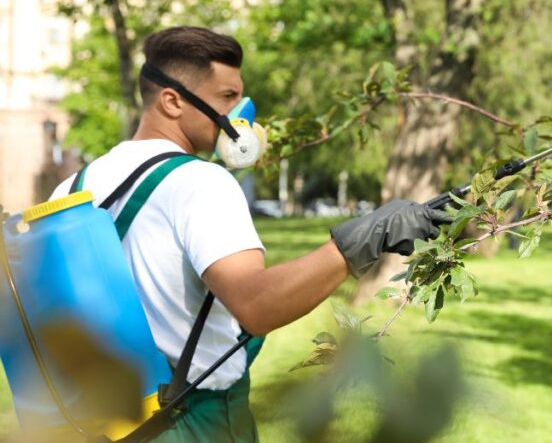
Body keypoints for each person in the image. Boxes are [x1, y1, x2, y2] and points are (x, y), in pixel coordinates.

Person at [49, 26, 448, 442]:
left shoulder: (75, 185)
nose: (241, 114)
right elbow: (257, 304)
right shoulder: (200, 182)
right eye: (227, 98)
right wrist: (361, 240)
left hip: (100, 422)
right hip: (191, 422)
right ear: (171, 101)